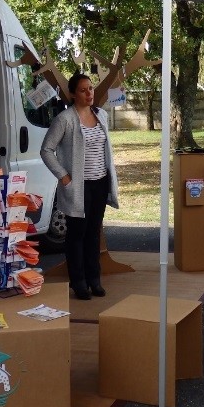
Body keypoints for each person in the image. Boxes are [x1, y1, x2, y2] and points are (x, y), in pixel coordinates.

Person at [40, 71, 119, 300]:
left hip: (100, 183)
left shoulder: (101, 115)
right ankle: (79, 281)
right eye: (83, 90)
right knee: (77, 234)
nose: (89, 93)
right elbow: (46, 150)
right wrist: (63, 176)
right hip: (78, 186)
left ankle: (95, 279)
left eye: (91, 88)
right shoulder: (65, 119)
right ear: (74, 94)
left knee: (94, 232)